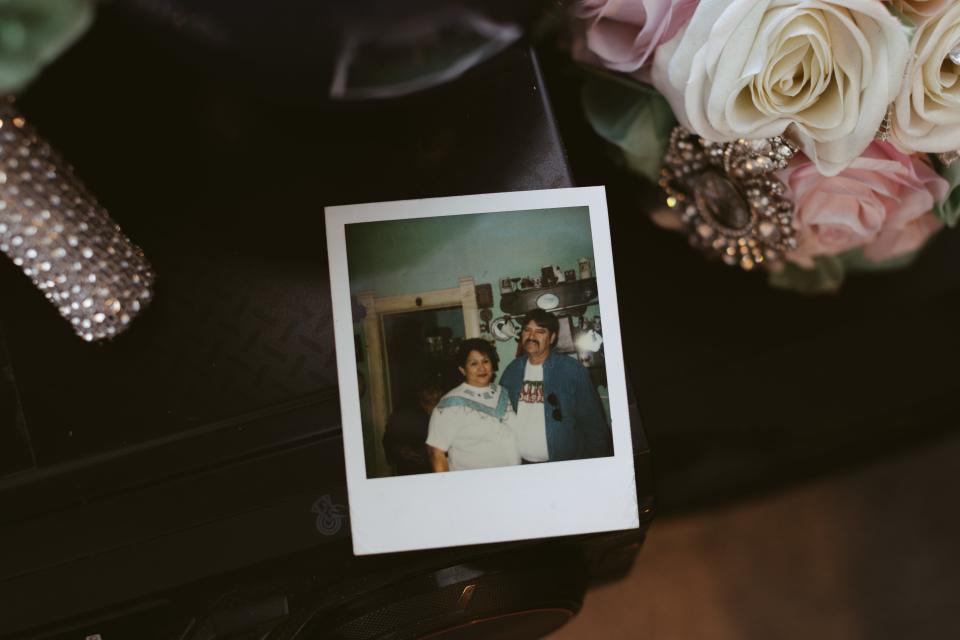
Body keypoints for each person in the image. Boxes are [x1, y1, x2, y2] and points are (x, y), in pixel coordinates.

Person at [500, 309, 612, 463]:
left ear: (552, 338)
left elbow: (594, 427)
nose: (531, 336)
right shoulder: (511, 371)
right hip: (521, 464)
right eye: (527, 330)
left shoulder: (572, 370)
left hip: (565, 464)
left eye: (540, 331)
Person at [426, 338, 520, 472]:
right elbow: (435, 452)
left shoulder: (501, 393)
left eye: (486, 361)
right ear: (463, 370)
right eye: (474, 363)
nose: (482, 368)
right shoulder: (451, 404)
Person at [382, 371, 443, 476]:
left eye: (436, 390)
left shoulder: (447, 411)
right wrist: (400, 451)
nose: (433, 394)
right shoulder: (404, 412)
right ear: (422, 392)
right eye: (429, 390)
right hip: (413, 471)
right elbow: (388, 440)